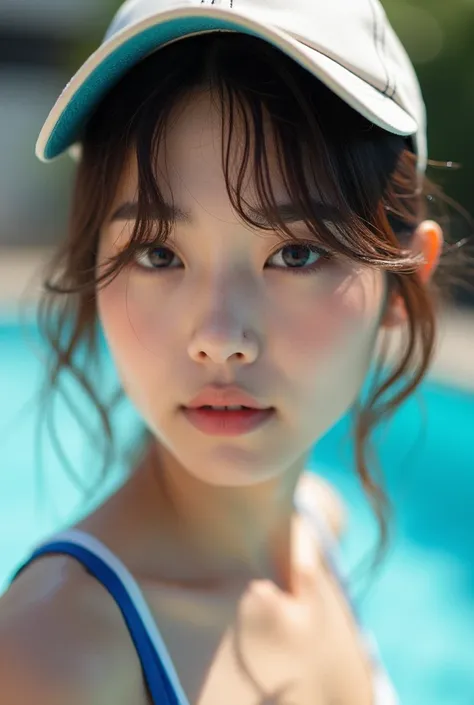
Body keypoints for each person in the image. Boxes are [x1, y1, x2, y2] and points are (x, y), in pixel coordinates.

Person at [0, 0, 458, 702]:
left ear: (405, 284)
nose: (219, 337)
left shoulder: (319, 523)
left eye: (296, 253)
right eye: (158, 252)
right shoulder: (56, 653)